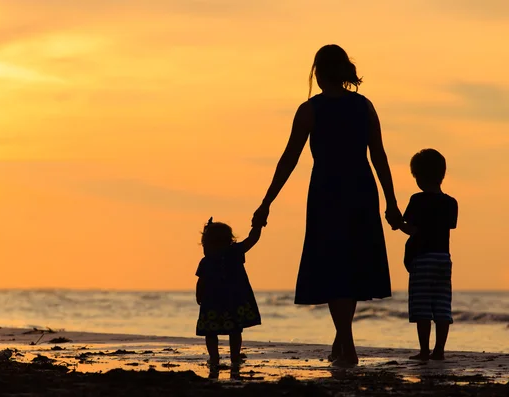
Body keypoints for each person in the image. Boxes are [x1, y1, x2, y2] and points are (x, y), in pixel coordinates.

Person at [252, 44, 403, 367]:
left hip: (328, 193)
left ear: (319, 72)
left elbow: (289, 159)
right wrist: (390, 201)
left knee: (337, 268)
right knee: (350, 267)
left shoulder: (310, 109)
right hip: (361, 190)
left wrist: (266, 202)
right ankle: (342, 339)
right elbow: (379, 157)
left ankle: (347, 345)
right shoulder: (364, 107)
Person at [400, 149, 458, 361]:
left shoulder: (417, 200)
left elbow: (413, 230)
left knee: (422, 306)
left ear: (419, 176)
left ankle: (425, 350)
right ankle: (439, 350)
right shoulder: (451, 203)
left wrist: (397, 223)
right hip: (443, 258)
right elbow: (447, 226)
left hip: (422, 258)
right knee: (442, 305)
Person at [195, 217, 263, 378]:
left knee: (210, 332)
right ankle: (234, 357)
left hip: (212, 301)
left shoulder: (207, 260)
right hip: (234, 299)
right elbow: (252, 239)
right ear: (229, 240)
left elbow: (201, 281)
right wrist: (258, 225)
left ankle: (214, 358)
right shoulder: (235, 252)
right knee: (234, 330)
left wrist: (199, 295)